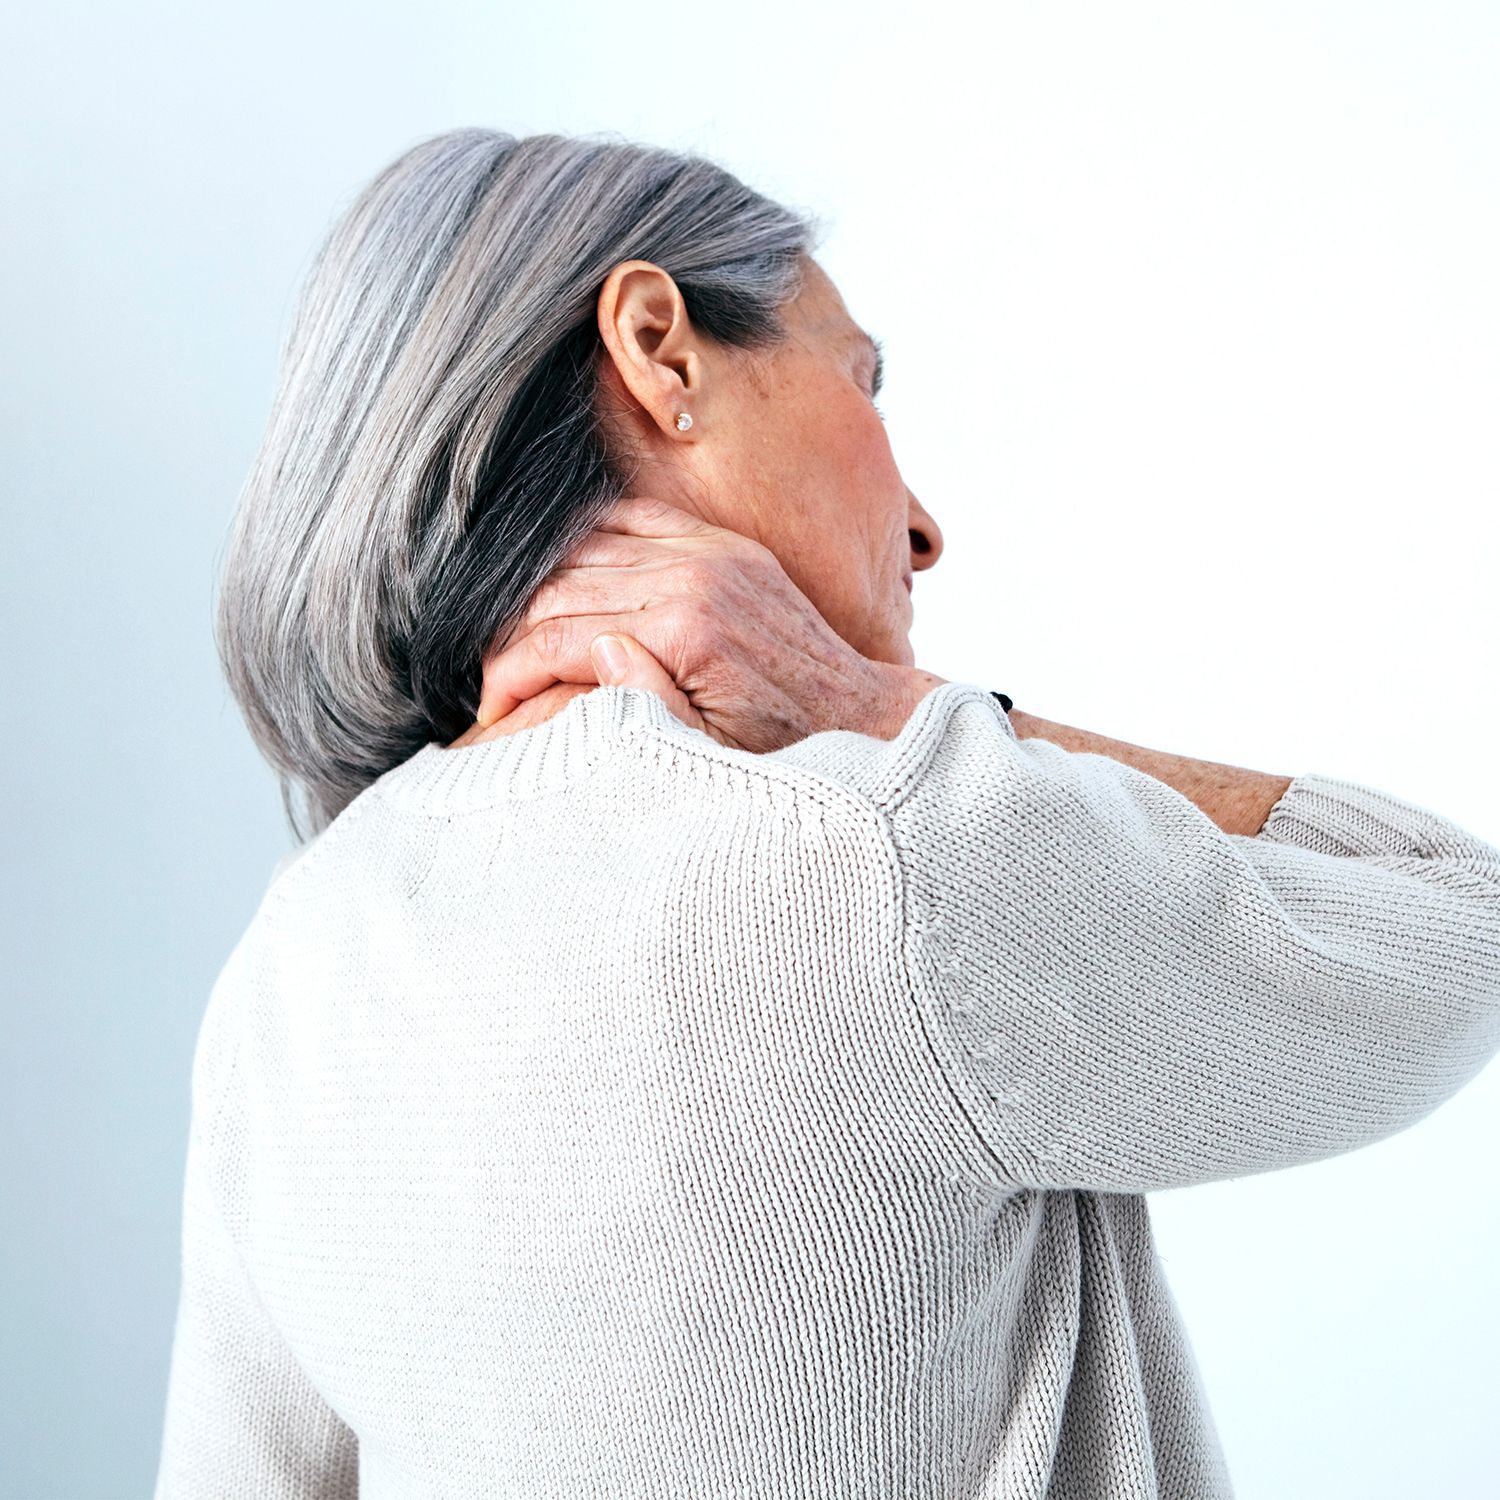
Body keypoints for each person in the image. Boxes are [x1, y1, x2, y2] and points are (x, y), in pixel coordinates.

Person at [154, 127, 1500, 1499]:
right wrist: (870, 704)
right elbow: (1462, 932)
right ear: (661, 352)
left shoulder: (292, 962)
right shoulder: (894, 859)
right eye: (861, 379)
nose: (922, 526)